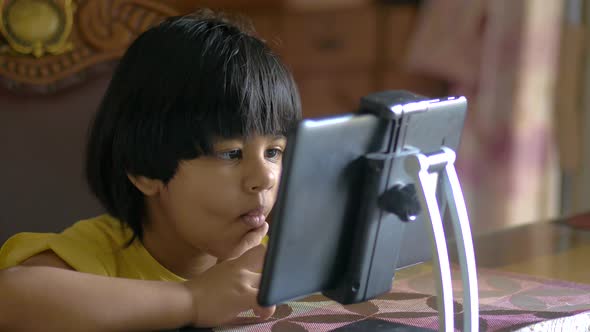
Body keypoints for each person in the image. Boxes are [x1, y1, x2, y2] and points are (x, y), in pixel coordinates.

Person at [0, 9, 301, 331]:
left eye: (273, 152)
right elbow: (11, 298)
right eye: (231, 154)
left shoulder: (269, 258)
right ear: (145, 170)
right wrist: (193, 299)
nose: (265, 178)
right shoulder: (98, 255)